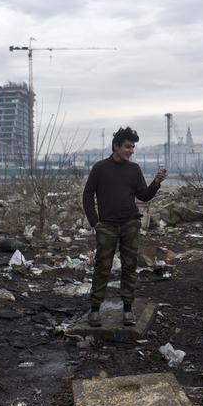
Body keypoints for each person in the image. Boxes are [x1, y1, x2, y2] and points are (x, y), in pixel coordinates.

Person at [82, 126, 166, 326]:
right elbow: (87, 195)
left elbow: (143, 195)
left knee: (129, 266)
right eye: (127, 146)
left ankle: (128, 309)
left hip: (130, 224)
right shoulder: (100, 168)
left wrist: (156, 182)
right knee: (103, 266)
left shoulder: (134, 169)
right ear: (116, 146)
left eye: (133, 147)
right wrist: (95, 222)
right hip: (107, 226)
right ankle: (95, 309)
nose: (131, 150)